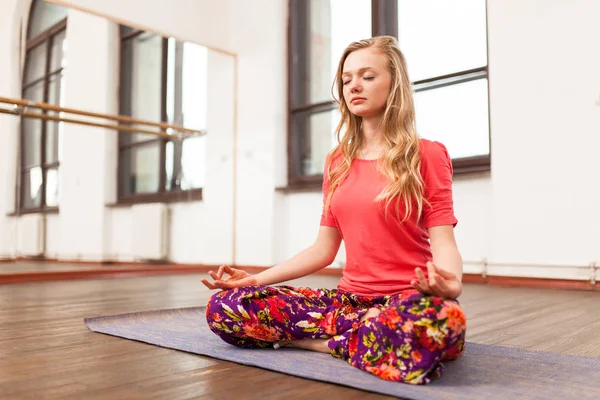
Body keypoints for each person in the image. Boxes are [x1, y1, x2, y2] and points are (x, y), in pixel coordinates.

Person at [202, 36, 466, 385]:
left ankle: (316, 342)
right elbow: (322, 250)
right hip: (349, 304)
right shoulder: (337, 160)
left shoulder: (428, 154)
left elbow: (444, 240)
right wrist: (255, 279)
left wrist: (450, 284)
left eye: (368, 76)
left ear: (394, 84)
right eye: (346, 79)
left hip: (407, 301)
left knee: (442, 321)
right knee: (225, 307)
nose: (354, 85)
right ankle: (356, 339)